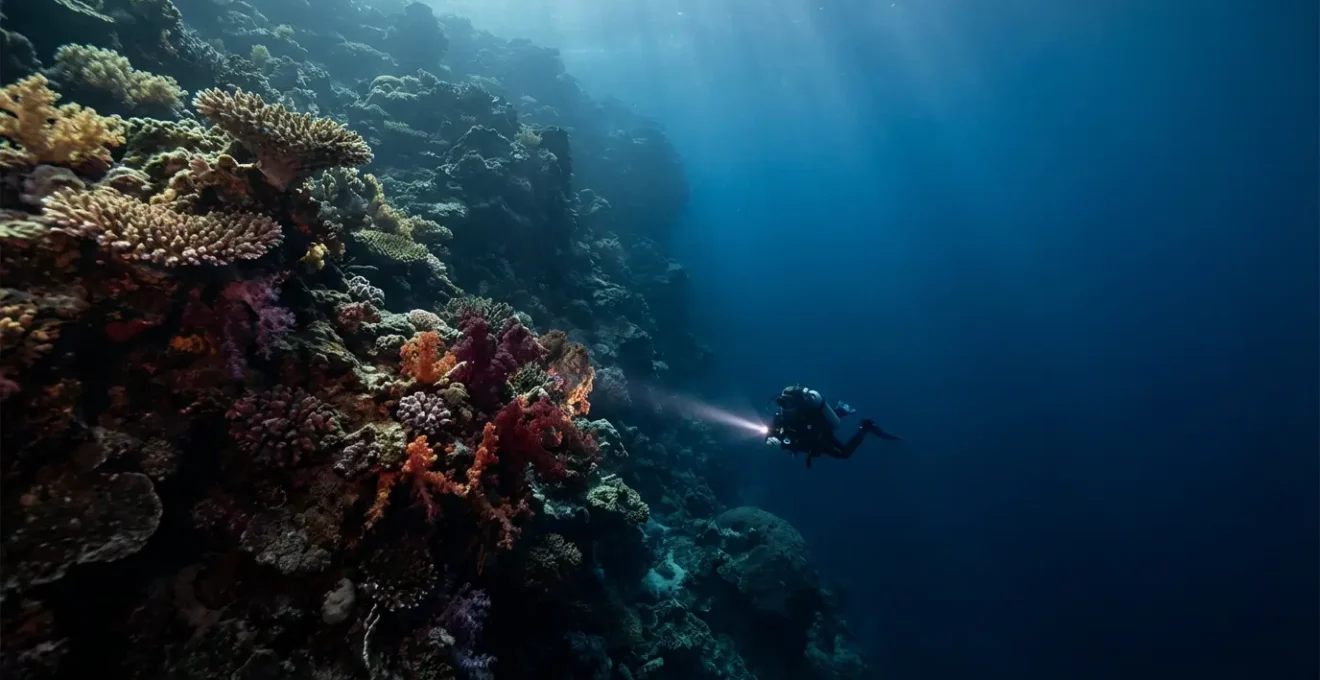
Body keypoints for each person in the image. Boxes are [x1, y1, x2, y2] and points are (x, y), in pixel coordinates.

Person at [764, 385, 900, 468]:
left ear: (797, 404)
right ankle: (840, 411)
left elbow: (812, 439)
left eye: (787, 404)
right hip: (807, 437)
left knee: (844, 454)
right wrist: (769, 438)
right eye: (781, 403)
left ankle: (865, 427)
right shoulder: (782, 415)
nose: (783, 407)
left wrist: (786, 445)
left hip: (821, 437)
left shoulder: (809, 415)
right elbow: (771, 430)